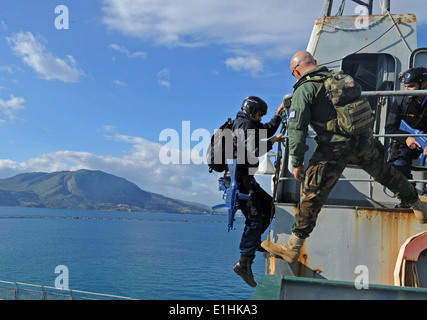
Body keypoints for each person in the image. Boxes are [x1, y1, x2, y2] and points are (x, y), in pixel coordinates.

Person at [261, 51, 427, 264]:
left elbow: (297, 128)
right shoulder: (339, 78)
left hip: (333, 147)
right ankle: (419, 206)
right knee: (387, 174)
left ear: (295, 71)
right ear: (316, 63)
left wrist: (296, 162)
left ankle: (292, 247)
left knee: (313, 192)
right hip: (363, 141)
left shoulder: (305, 88)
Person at [231, 96, 285, 287]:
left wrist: (279, 114)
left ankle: (253, 243)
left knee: (269, 207)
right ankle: (243, 263)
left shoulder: (250, 124)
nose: (261, 118)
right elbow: (253, 150)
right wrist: (272, 142)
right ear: (252, 110)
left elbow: (267, 129)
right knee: (254, 219)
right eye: (260, 114)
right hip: (241, 179)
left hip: (247, 178)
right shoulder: (244, 125)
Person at [385, 67, 427, 207]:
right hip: (409, 142)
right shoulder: (400, 101)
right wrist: (406, 138)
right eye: (405, 87)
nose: (406, 90)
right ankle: (409, 199)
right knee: (397, 166)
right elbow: (390, 127)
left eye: (411, 86)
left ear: (424, 84)